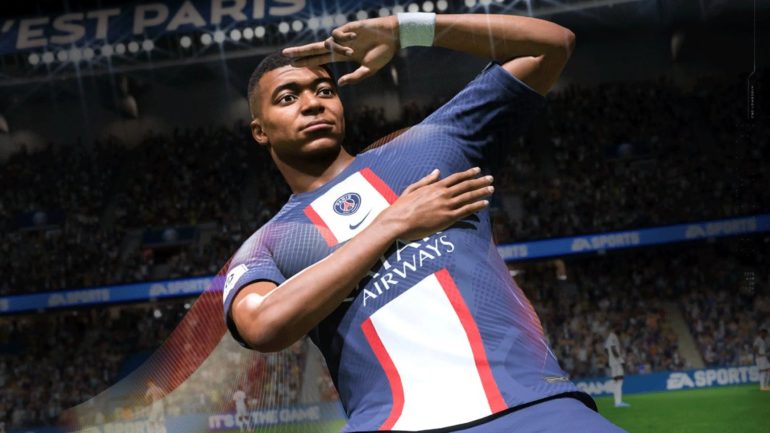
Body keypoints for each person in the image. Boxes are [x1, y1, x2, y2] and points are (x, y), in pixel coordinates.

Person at [223, 11, 625, 432]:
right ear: (260, 131)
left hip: (532, 408)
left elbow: (552, 45)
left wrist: (407, 30)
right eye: (288, 98)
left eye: (325, 90)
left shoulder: (432, 145)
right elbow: (262, 326)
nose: (312, 103)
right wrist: (390, 225)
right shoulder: (267, 243)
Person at [604, 325, 630, 407]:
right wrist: (620, 359)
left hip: (613, 362)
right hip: (616, 362)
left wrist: (610, 358)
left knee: (616, 382)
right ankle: (618, 402)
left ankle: (617, 401)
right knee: (620, 381)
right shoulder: (613, 337)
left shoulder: (609, 338)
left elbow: (606, 349)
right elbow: (613, 349)